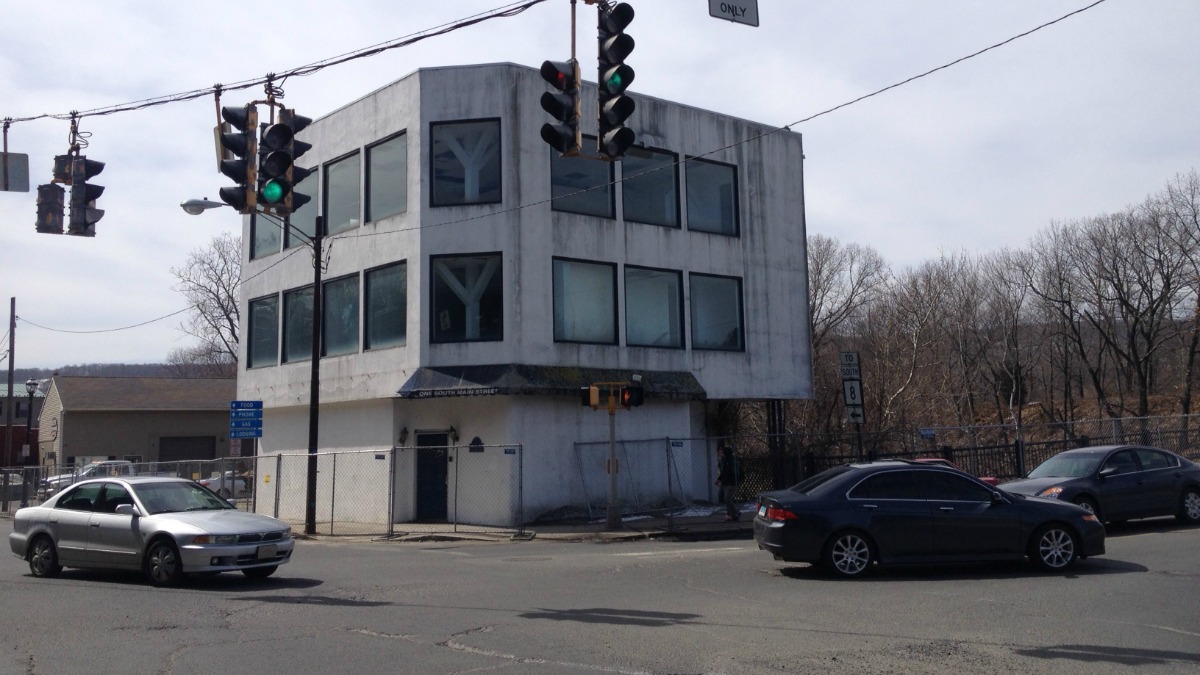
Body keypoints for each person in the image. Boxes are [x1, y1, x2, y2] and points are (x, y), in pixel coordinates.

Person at [716, 444, 741, 521]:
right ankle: (733, 515)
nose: (720, 454)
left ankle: (735, 512)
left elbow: (726, 472)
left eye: (722, 453)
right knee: (727, 499)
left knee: (727, 499)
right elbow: (723, 472)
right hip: (727, 482)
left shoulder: (730, 461)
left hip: (731, 483)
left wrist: (720, 479)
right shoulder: (724, 461)